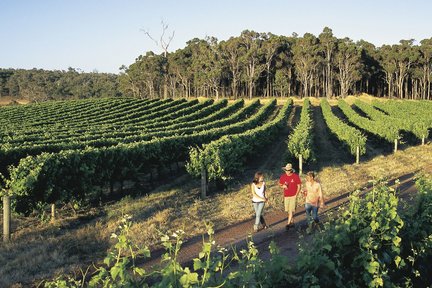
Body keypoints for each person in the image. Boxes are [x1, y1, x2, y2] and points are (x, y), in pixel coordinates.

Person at [279, 163, 301, 230]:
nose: (287, 171)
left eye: (288, 170)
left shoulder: (295, 176)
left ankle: (288, 224)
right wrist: (283, 186)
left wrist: (296, 194)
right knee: (288, 210)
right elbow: (280, 184)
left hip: (293, 195)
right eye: (286, 170)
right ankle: (292, 222)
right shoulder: (283, 176)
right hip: (286, 196)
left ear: (291, 170)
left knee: (291, 210)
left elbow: (299, 186)